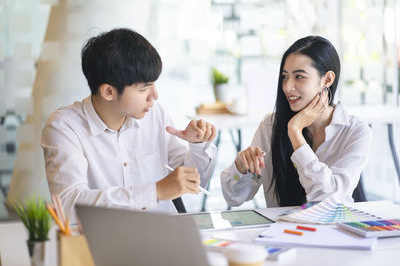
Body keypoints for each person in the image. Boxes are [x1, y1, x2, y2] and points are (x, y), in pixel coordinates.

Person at [41, 28, 217, 216]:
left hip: (164, 233)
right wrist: (155, 191)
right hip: (102, 240)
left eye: (154, 84)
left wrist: (197, 145)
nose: (155, 96)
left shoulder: (154, 113)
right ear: (108, 91)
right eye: (144, 89)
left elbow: (197, 181)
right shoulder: (64, 128)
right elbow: (69, 204)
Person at [221, 36, 372, 207]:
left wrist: (295, 131)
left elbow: (329, 199)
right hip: (281, 232)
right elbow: (233, 198)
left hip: (335, 231)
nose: (287, 87)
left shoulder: (356, 131)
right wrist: (241, 168)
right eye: (285, 77)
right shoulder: (270, 126)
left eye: (299, 77)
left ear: (327, 79)